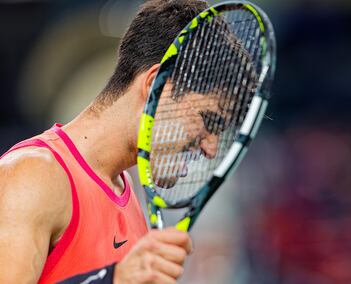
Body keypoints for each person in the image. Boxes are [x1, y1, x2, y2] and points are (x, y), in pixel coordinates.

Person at [0, 0, 211, 283]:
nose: (210, 147)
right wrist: (113, 279)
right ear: (157, 87)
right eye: (208, 120)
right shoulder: (32, 175)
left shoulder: (128, 195)